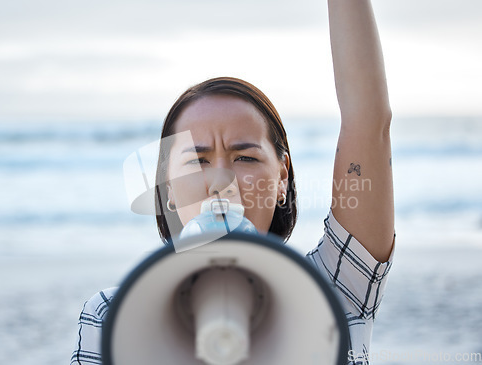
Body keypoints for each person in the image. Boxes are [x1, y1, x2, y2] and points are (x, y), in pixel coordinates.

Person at [71, 0, 394, 364]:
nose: (220, 182)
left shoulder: (335, 290)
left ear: (282, 177)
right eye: (197, 161)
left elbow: (367, 121)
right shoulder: (112, 317)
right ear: (167, 188)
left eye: (245, 157)